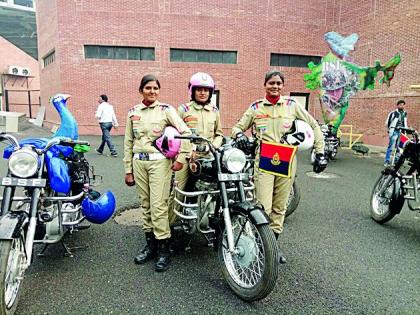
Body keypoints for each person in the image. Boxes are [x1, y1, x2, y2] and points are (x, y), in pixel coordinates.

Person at [231, 70, 327, 264]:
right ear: (265, 85)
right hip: (265, 159)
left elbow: (314, 125)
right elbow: (237, 128)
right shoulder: (256, 107)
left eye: (278, 83)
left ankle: (273, 247)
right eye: (271, 83)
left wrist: (320, 151)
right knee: (263, 206)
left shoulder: (292, 106)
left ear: (283, 86)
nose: (275, 86)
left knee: (280, 207)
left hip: (287, 159)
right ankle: (260, 245)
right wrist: (240, 136)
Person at [123, 74, 191, 272]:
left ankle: (164, 249)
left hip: (159, 163)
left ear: (159, 91)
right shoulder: (133, 112)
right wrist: (128, 170)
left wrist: (181, 159)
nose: (152, 91)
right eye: (148, 88)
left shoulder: (166, 110)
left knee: (158, 205)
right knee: (145, 205)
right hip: (139, 162)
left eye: (155, 88)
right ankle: (150, 245)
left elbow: (184, 132)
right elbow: (128, 142)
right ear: (141, 90)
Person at [168, 72, 224, 224]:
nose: (202, 92)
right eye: (199, 89)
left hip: (209, 157)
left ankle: (215, 221)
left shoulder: (214, 111)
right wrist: (188, 150)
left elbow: (219, 135)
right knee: (178, 191)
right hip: (187, 157)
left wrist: (213, 146)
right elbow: (174, 134)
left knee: (220, 187)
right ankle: (170, 228)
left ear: (211, 92)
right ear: (192, 91)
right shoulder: (183, 109)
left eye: (206, 90)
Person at [384, 99, 408, 166]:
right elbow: (387, 122)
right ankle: (387, 161)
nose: (402, 106)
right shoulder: (393, 113)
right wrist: (389, 130)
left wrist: (406, 130)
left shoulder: (405, 113)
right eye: (400, 105)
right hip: (395, 131)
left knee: (399, 147)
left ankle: (396, 161)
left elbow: (405, 122)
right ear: (397, 105)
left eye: (403, 105)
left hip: (402, 132)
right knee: (391, 146)